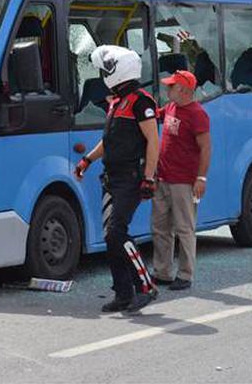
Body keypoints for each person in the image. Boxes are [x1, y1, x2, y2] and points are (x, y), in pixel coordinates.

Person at [74, 45, 159, 314]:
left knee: (116, 233)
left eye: (105, 69)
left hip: (131, 178)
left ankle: (145, 286)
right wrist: (87, 160)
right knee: (111, 239)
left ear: (118, 70)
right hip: (111, 178)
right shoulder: (117, 103)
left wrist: (148, 178)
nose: (102, 74)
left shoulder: (140, 102)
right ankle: (123, 294)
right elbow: (109, 142)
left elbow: (153, 142)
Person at [151, 70, 211, 291]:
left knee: (184, 228)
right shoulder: (171, 107)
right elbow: (152, 116)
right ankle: (162, 272)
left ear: (184, 91)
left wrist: (201, 178)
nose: (167, 89)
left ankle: (185, 275)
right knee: (160, 227)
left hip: (183, 181)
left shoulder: (197, 114)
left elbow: (205, 148)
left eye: (171, 87)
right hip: (163, 177)